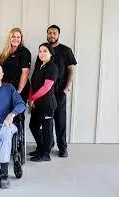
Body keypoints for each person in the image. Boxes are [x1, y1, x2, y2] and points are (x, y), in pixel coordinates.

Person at [47, 25, 77, 157]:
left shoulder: (66, 50)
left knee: (60, 121)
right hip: (46, 92)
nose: (52, 35)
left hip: (59, 92)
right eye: (50, 33)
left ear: (58, 35)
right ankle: (48, 144)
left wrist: (67, 88)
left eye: (54, 33)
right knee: (47, 120)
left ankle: (62, 147)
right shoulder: (44, 50)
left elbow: (71, 70)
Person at [28, 43, 58, 162]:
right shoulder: (39, 66)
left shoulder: (52, 67)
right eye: (40, 51)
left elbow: (46, 87)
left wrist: (33, 98)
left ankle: (46, 154)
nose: (42, 53)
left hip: (47, 104)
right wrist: (30, 98)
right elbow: (32, 84)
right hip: (36, 104)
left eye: (45, 51)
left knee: (47, 129)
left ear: (51, 53)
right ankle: (40, 147)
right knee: (33, 126)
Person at [0, 27, 31, 103]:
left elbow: (25, 72)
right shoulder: (5, 53)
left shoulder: (24, 51)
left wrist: (18, 91)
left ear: (21, 39)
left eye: (18, 37)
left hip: (19, 88)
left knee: (18, 113)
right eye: (13, 36)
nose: (16, 39)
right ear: (9, 38)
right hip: (6, 88)